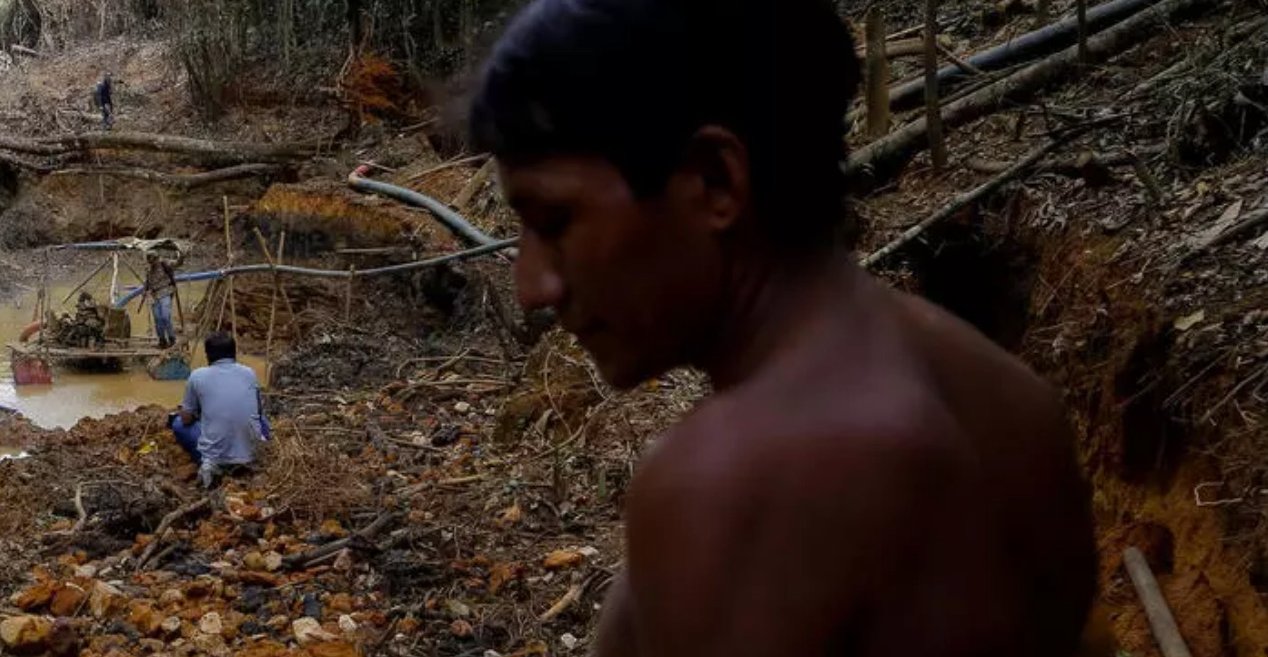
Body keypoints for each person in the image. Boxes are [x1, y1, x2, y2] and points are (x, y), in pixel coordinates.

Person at [468, 0, 1096, 655]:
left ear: (715, 182)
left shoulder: (738, 479)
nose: (532, 285)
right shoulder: (1013, 406)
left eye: (553, 222)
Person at [171, 332, 267, 488]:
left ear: (208, 355)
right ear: (233, 353)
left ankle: (206, 461)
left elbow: (186, 419)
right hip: (251, 454)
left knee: (178, 424)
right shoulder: (249, 373)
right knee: (262, 420)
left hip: (217, 458)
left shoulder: (197, 376)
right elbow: (258, 410)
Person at [143, 245, 180, 349]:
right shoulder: (148, 269)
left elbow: (177, 263)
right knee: (158, 319)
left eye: (153, 260)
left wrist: (180, 253)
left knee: (165, 317)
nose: (152, 262)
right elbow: (147, 281)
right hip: (154, 295)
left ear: (156, 258)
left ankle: (172, 338)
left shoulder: (165, 264)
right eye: (150, 260)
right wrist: (144, 290)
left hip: (165, 292)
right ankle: (162, 340)